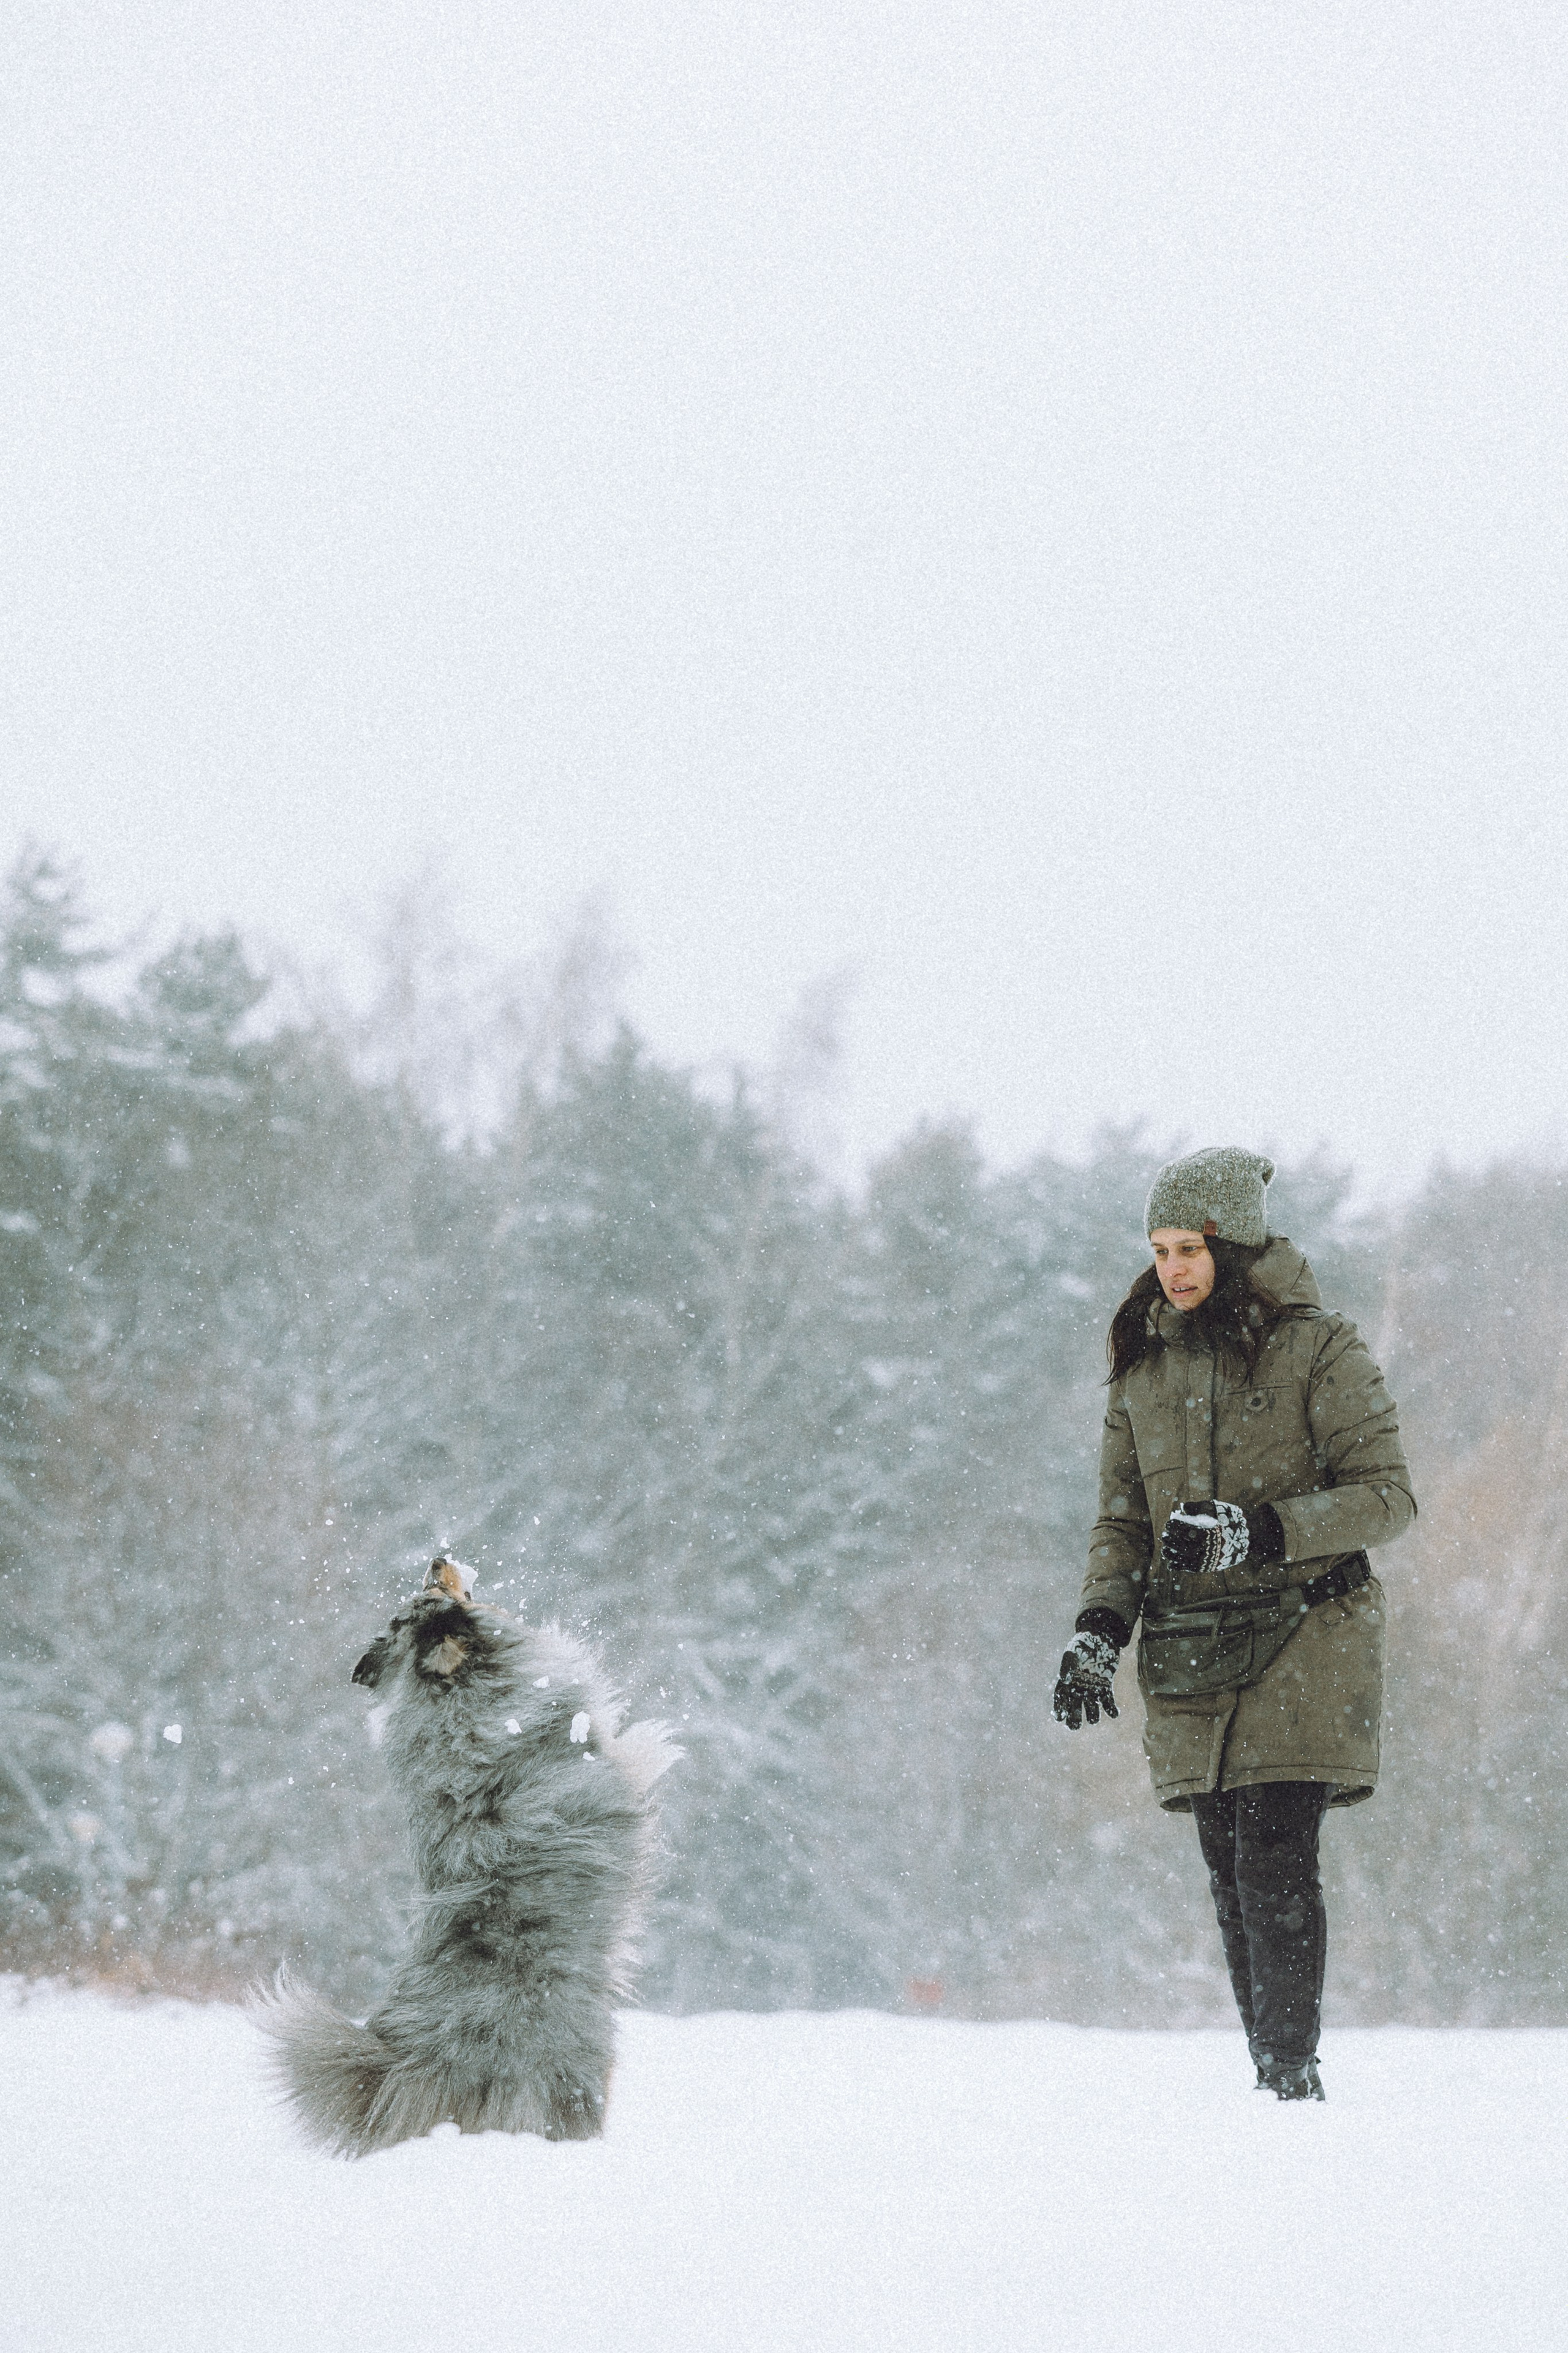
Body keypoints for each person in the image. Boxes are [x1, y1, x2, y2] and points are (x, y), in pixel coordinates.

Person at [1053, 1146, 1414, 2100]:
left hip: (1310, 1629)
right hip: (1191, 1647)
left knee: (1273, 1850)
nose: (1173, 1268)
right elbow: (1122, 1522)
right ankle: (1272, 2075)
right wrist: (1098, 1628)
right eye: (1160, 1247)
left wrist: (1261, 1530)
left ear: (1236, 1243)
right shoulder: (1141, 1368)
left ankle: (1291, 2079)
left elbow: (1387, 1499)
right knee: (1227, 1865)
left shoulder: (1321, 1348)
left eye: (1192, 1246)